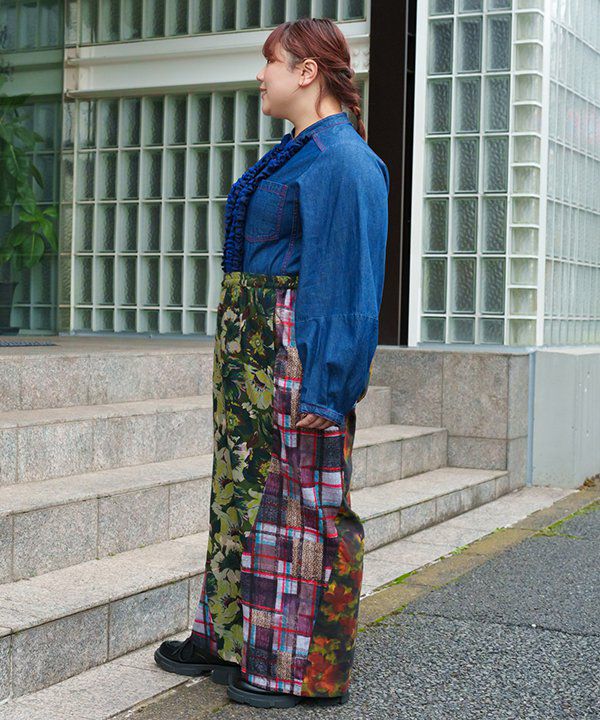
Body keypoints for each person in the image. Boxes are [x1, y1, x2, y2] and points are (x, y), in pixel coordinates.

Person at [154, 17, 390, 709]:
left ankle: (295, 668)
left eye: (272, 63)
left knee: (299, 506)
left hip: (294, 354)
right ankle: (229, 638)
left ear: (307, 71)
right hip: (253, 356)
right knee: (240, 496)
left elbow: (349, 287)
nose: (261, 75)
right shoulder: (298, 152)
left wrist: (327, 387)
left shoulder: (343, 162)